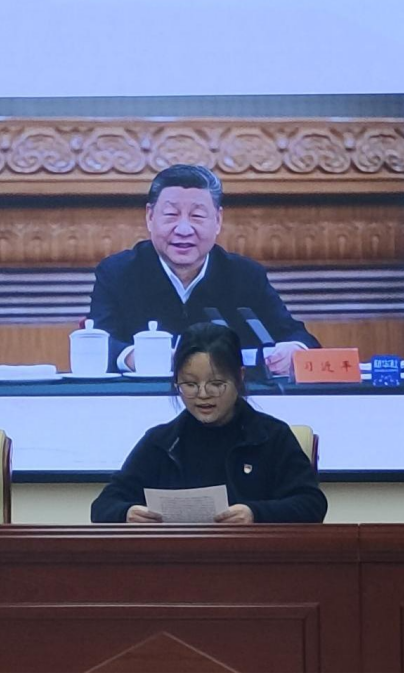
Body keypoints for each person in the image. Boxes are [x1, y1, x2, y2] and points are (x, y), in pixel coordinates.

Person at [88, 164, 318, 374]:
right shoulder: (118, 273)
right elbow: (97, 343)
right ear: (150, 217)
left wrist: (293, 350)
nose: (184, 229)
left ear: (217, 220)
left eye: (197, 216)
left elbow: (298, 336)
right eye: (171, 215)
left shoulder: (244, 275)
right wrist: (134, 357)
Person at [90, 323, 327, 524]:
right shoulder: (162, 442)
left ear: (239, 377)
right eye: (190, 384)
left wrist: (256, 513)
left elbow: (312, 503)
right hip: (177, 560)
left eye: (216, 384)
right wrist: (127, 513)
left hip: (251, 559)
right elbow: (103, 505)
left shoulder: (271, 436)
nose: (203, 395)